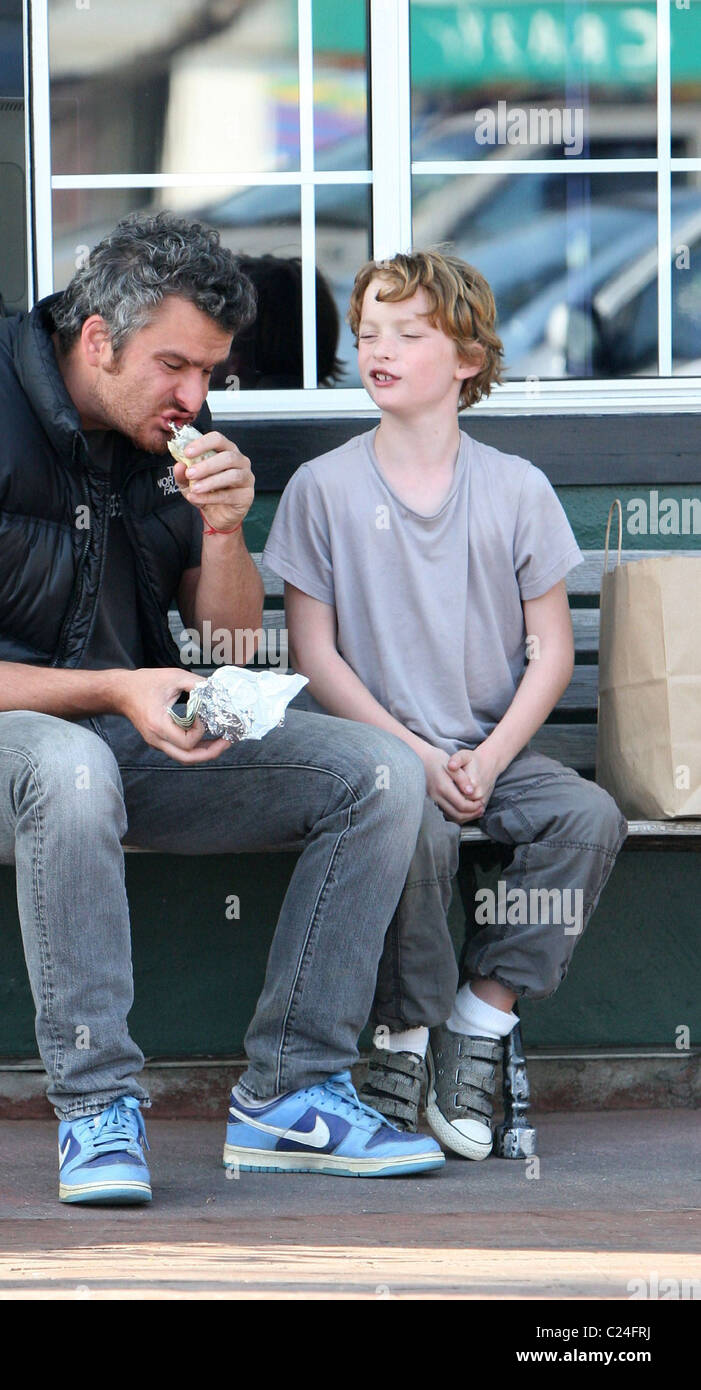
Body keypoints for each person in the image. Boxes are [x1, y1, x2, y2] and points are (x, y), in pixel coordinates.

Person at [0, 214, 443, 1204]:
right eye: (176, 366)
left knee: (376, 772)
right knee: (70, 767)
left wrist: (228, 529)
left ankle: (294, 1088)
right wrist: (114, 686)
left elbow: (226, 647)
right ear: (98, 338)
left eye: (212, 374)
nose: (195, 397)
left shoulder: (169, 441)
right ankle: (97, 1106)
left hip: (118, 738)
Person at [262, 249, 628, 1160]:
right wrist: (411, 756)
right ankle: (407, 1035)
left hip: (485, 750)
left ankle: (480, 1017)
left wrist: (491, 757)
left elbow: (552, 651)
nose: (378, 349)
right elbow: (315, 653)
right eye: (365, 333)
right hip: (375, 756)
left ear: (465, 358)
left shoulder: (513, 489)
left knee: (585, 818)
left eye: (407, 332)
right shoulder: (323, 489)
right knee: (411, 824)